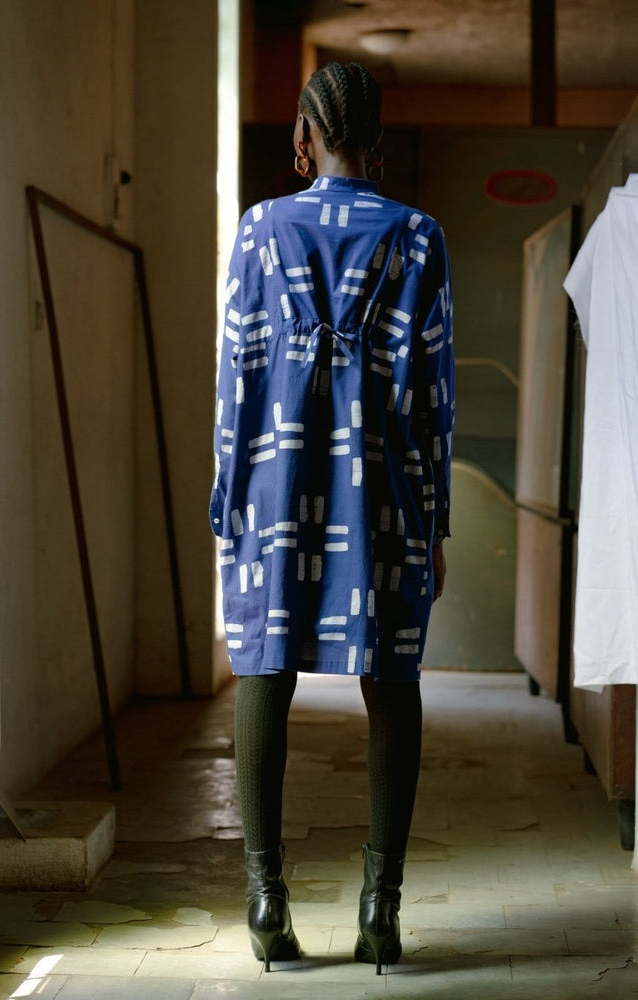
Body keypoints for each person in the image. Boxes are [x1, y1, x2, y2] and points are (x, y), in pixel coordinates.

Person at [210, 61, 454, 975]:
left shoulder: (260, 231)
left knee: (263, 669)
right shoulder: (419, 237)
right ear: (377, 141)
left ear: (304, 139)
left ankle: (266, 895)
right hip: (383, 489)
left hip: (277, 485)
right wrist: (434, 519)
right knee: (393, 678)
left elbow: (237, 374)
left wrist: (227, 493)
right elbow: (433, 393)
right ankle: (378, 911)